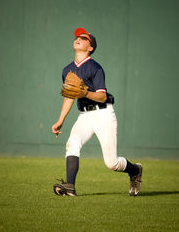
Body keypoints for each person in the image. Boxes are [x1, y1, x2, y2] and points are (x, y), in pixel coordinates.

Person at [51, 27, 142, 197]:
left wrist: (84, 93)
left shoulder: (95, 68)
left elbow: (102, 96)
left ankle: (135, 170)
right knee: (72, 143)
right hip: (84, 115)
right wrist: (61, 119)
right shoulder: (67, 70)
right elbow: (70, 96)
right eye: (77, 37)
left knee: (112, 163)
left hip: (103, 114)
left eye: (84, 38)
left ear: (90, 47)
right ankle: (70, 186)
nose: (78, 39)